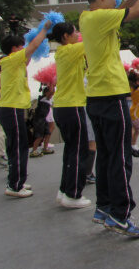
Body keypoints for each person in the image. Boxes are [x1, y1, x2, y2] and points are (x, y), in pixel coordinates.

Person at [80, 0, 139, 237]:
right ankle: (121, 215)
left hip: (96, 99)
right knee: (121, 159)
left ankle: (104, 208)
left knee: (106, 156)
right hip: (112, 98)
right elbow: (137, 12)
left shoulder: (88, 17)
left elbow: (124, 8)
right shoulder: (101, 17)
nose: (115, 2)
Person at [0, 22, 50, 198]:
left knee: (16, 146)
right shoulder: (11, 60)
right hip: (11, 108)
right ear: (14, 49)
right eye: (20, 45)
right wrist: (44, 29)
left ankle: (16, 180)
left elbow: (29, 54)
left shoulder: (14, 63)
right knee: (18, 147)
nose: (24, 48)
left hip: (13, 108)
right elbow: (33, 47)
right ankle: (14, 185)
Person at [48, 22, 92, 208]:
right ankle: (73, 195)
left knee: (71, 150)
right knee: (80, 151)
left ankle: (64, 190)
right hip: (72, 106)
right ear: (65, 36)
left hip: (64, 107)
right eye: (75, 32)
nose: (78, 34)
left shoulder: (65, 52)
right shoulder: (69, 50)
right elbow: (93, 39)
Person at [29, 86, 55, 158]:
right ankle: (33, 151)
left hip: (44, 119)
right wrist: (52, 84)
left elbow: (52, 92)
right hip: (39, 120)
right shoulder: (43, 99)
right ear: (46, 93)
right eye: (50, 93)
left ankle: (45, 148)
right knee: (39, 136)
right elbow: (51, 92)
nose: (52, 95)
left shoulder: (48, 99)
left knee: (47, 133)